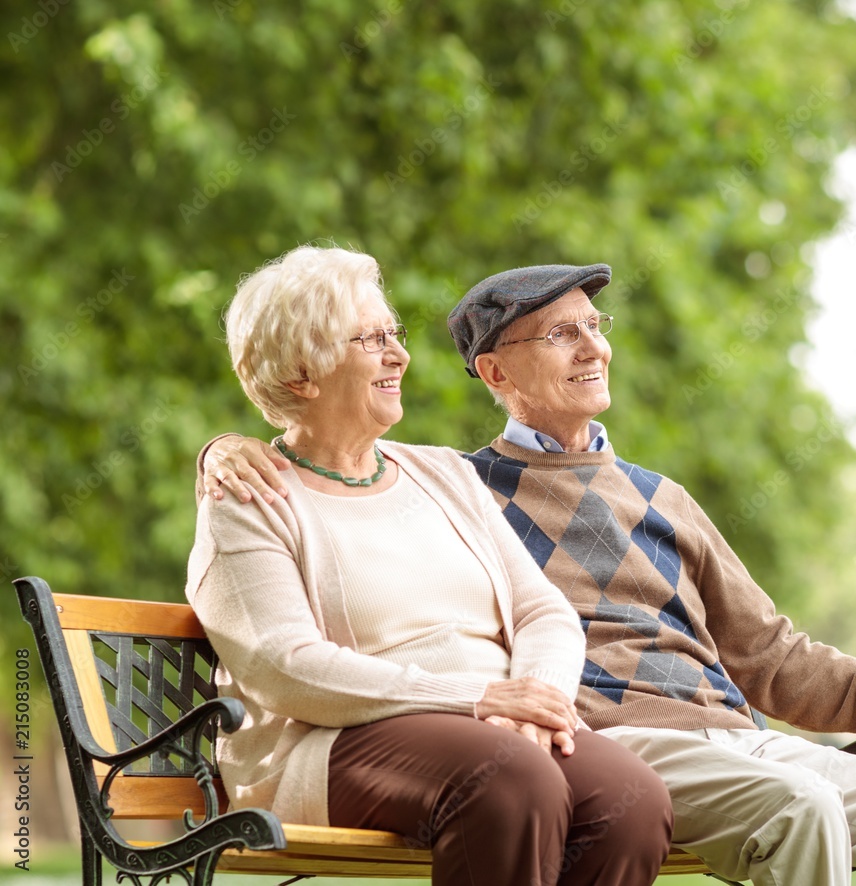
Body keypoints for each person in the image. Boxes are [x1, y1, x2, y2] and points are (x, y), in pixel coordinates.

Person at [202, 261, 856, 886]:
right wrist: (224, 448)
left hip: (727, 736)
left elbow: (772, 656)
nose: (594, 348)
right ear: (494, 374)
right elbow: (312, 518)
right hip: (594, 738)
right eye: (560, 335)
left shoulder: (653, 498)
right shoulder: (476, 482)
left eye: (594, 327)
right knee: (792, 807)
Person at [186, 246, 674, 886]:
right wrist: (477, 698)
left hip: (492, 730)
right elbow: (286, 667)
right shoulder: (250, 499)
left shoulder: (442, 473)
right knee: (508, 779)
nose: (400, 356)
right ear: (301, 372)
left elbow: (541, 609)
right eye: (371, 339)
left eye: (395, 335)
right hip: (331, 742)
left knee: (628, 798)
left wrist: (537, 701)